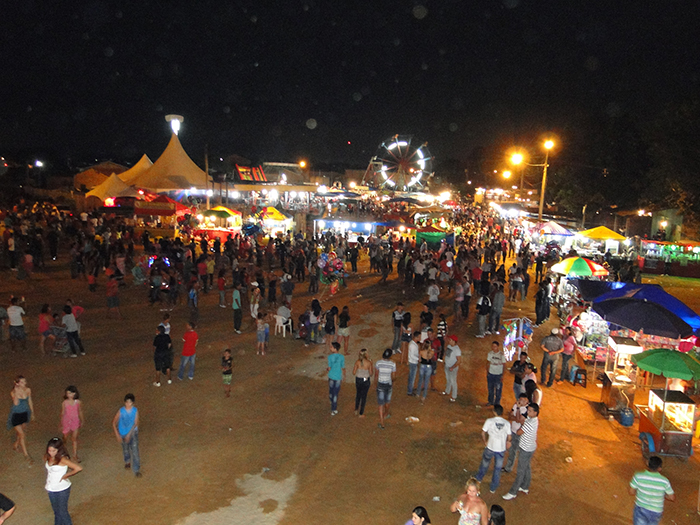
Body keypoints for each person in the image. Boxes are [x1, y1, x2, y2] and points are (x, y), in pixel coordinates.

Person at [502, 403, 539, 500]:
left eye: (530, 411)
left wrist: (521, 424)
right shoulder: (534, 420)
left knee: (520, 471)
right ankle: (525, 486)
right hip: (530, 448)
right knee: (526, 467)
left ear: (535, 413)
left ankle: (513, 492)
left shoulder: (529, 423)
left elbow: (518, 432)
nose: (528, 412)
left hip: (525, 449)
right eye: (528, 410)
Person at [44, 437, 83, 525]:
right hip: (51, 488)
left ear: (59, 449)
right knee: (56, 512)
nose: (51, 453)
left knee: (62, 513)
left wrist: (66, 475)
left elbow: (78, 468)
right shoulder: (48, 457)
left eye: (53, 451)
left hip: (62, 489)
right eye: (49, 450)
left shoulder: (62, 459)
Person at [475, 405, 511, 493]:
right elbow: (509, 436)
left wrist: (485, 442)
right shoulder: (507, 423)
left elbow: (483, 433)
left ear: (494, 412)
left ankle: (479, 479)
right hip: (501, 449)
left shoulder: (489, 421)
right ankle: (493, 487)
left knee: (485, 464)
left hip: (490, 447)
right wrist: (507, 442)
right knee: (497, 469)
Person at [629, 455, 675, 525]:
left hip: (641, 508)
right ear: (659, 468)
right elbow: (672, 498)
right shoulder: (664, 481)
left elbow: (631, 492)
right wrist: (664, 496)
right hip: (656, 511)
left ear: (647, 463)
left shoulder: (638, 476)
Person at [112, 393, 142, 477]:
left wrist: (129, 434)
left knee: (135, 451)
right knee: (125, 449)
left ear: (133, 403)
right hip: (122, 432)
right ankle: (127, 460)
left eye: (130, 402)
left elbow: (136, 423)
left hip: (132, 433)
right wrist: (117, 434)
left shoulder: (135, 411)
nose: (128, 404)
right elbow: (114, 422)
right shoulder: (121, 411)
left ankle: (136, 469)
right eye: (127, 402)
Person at [7, 375, 34, 460]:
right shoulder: (13, 392)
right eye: (22, 382)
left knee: (22, 432)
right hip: (16, 415)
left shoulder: (28, 390)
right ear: (17, 383)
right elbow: (16, 403)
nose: (24, 383)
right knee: (22, 434)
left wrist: (32, 412)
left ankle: (16, 444)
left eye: (24, 381)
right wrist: (16, 393)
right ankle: (26, 455)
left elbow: (30, 401)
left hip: (25, 414)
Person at [503, 393, 529, 473]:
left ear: (527, 401)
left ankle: (512, 468)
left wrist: (518, 409)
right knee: (512, 450)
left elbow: (519, 420)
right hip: (513, 431)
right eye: (521, 400)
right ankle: (509, 467)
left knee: (516, 451)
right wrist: (516, 417)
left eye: (524, 400)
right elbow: (509, 417)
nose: (522, 402)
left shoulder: (526, 410)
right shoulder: (515, 405)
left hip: (520, 434)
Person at [60, 386, 84, 462]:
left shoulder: (78, 402)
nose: (68, 395)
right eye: (67, 393)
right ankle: (63, 446)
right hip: (66, 421)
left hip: (75, 421)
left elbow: (80, 411)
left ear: (74, 393)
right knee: (65, 436)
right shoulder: (64, 403)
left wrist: (82, 420)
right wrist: (61, 423)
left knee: (74, 438)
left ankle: (75, 455)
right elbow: (63, 413)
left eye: (70, 393)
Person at [375, 348, 397, 429]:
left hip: (380, 384)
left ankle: (382, 422)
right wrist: (393, 381)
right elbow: (393, 376)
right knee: (387, 401)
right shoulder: (392, 364)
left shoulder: (378, 363)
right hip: (388, 384)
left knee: (380, 404)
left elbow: (376, 375)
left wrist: (375, 384)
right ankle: (386, 413)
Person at [353, 348, 373, 417]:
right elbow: (371, 374)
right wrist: (371, 365)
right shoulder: (369, 363)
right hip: (365, 380)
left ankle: (356, 409)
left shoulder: (357, 362)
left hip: (358, 379)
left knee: (358, 394)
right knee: (364, 396)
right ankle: (361, 413)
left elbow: (353, 372)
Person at [327, 341, 345, 415]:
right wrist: (344, 376)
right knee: (335, 393)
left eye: (331, 347)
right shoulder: (341, 357)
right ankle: (333, 409)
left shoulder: (330, 357)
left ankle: (332, 401)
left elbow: (329, 367)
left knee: (331, 391)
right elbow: (343, 367)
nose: (330, 348)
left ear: (335, 348)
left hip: (331, 376)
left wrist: (327, 369)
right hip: (338, 377)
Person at [443, 335, 462, 402]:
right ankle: (447, 391)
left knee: (453, 381)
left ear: (454, 341)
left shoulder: (457, 350)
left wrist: (453, 367)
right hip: (447, 366)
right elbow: (447, 355)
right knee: (448, 379)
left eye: (450, 340)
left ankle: (454, 396)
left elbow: (459, 361)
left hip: (452, 368)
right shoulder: (449, 346)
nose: (449, 341)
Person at [486, 341, 506, 406]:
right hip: (491, 374)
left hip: (498, 374)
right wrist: (487, 372)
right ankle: (491, 401)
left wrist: (502, 375)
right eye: (492, 346)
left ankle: (497, 403)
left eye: (495, 346)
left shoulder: (501, 355)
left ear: (497, 347)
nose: (493, 348)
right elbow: (487, 363)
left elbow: (504, 365)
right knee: (490, 389)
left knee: (498, 390)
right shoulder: (490, 354)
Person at [407, 331, 421, 396]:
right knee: (412, 377)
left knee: (412, 376)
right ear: (416, 337)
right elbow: (412, 355)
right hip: (413, 362)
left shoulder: (413, 344)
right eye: (419, 337)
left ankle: (411, 388)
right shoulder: (413, 345)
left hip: (413, 362)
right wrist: (418, 359)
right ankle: (410, 391)